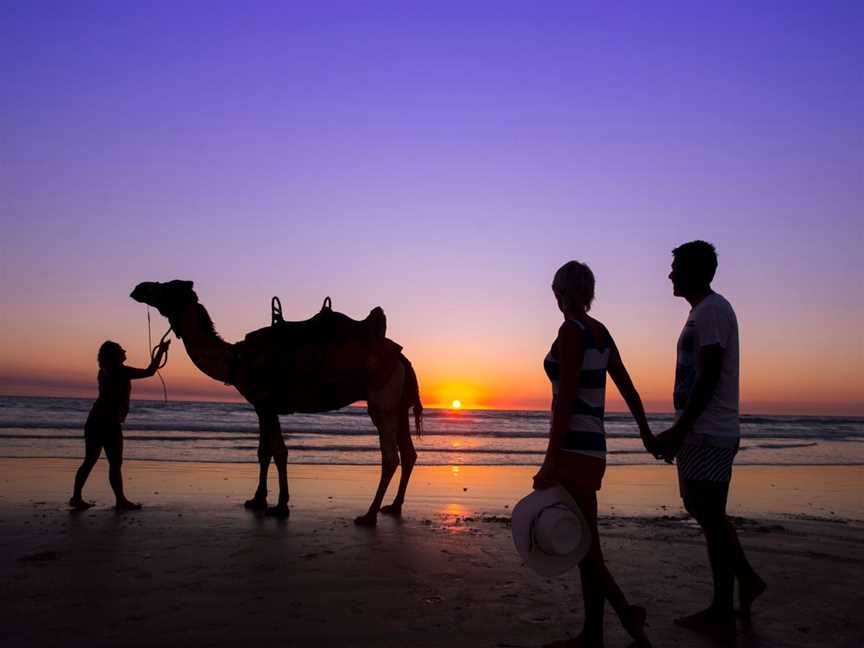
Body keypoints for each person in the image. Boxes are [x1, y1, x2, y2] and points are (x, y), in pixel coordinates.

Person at [534, 260, 654, 648]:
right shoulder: (601, 332)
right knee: (588, 544)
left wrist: (549, 462)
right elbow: (629, 388)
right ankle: (593, 634)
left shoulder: (571, 330)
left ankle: (626, 615)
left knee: (585, 547)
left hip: (572, 450)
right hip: (594, 447)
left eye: (556, 291)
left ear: (562, 293)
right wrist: (646, 432)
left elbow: (566, 398)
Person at [654, 240, 765, 635]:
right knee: (703, 510)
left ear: (693, 271)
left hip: (709, 431)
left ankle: (726, 601)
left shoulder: (713, 310)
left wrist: (680, 430)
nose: (669, 274)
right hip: (699, 431)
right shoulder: (701, 313)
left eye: (675, 267)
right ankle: (741, 585)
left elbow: (710, 375)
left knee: (710, 513)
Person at [69, 338, 170, 511]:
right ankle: (119, 500)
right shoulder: (120, 371)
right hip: (108, 423)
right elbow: (150, 371)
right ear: (115, 354)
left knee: (91, 461)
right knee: (114, 463)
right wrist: (161, 350)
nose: (125, 351)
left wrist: (161, 350)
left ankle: (77, 498)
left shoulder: (105, 370)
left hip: (96, 421)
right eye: (122, 349)